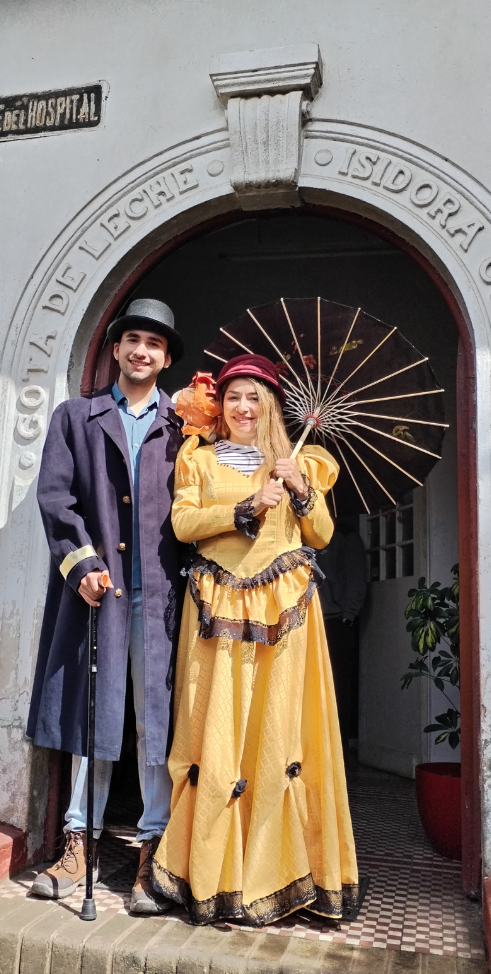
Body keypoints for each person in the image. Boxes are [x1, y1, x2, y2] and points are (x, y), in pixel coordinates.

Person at [144, 354, 361, 925]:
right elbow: (183, 525)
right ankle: (206, 873)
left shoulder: (301, 461)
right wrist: (244, 505)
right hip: (216, 608)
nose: (243, 407)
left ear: (269, 406)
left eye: (254, 398)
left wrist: (299, 491)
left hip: (286, 615)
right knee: (212, 730)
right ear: (223, 405)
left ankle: (274, 873)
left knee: (276, 733)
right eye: (234, 396)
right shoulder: (199, 458)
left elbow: (322, 534)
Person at [23, 298, 185, 916]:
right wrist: (83, 564)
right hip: (101, 588)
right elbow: (56, 499)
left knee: (155, 720)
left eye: (155, 343)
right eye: (133, 340)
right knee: (95, 713)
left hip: (166, 594)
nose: (142, 351)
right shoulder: (75, 417)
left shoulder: (186, 427)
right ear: (116, 349)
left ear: (167, 358)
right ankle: (78, 842)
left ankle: (154, 849)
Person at [316, 515, 370, 756]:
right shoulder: (307, 533)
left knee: (338, 684)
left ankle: (339, 746)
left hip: (336, 621)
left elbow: (357, 579)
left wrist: (348, 616)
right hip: (307, 621)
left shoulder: (346, 537)